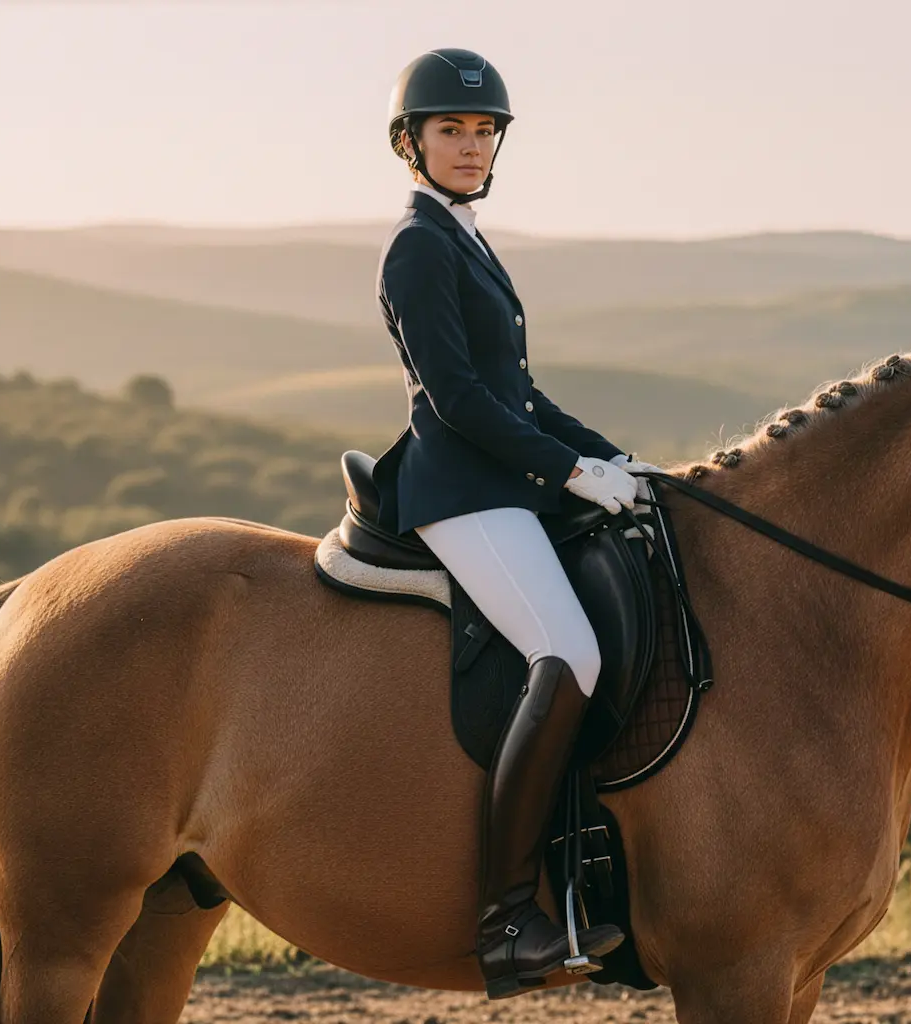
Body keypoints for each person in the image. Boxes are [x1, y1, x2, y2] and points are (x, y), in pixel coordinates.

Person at [370, 48, 660, 1000]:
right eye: (450, 129)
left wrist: (618, 461)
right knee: (567, 654)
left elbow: (519, 393)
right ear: (411, 143)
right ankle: (505, 919)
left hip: (509, 479)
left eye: (483, 129)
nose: (469, 144)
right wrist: (571, 471)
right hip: (460, 490)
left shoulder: (467, 240)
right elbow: (456, 399)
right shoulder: (417, 245)